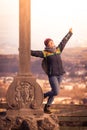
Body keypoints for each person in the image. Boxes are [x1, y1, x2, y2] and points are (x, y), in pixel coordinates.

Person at [31, 28, 73, 113]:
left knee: (54, 92)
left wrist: (69, 33)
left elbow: (63, 42)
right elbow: (35, 53)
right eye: (50, 42)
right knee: (56, 92)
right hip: (52, 75)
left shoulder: (58, 49)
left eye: (52, 42)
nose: (52, 43)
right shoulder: (45, 53)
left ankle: (47, 107)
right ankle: (43, 95)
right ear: (47, 45)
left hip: (60, 74)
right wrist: (25, 50)